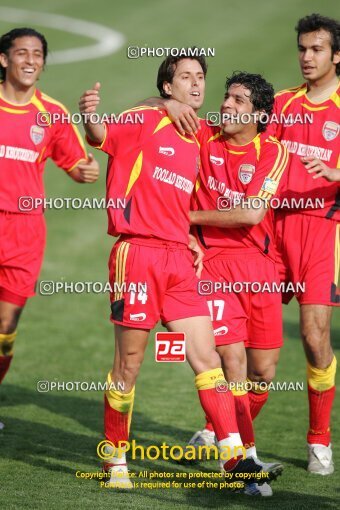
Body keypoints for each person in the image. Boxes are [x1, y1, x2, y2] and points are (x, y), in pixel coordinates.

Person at [79, 53, 278, 489]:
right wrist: (92, 115)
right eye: (185, 77)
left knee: (208, 359)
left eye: (200, 77)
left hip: (180, 261)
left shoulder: (202, 134)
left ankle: (232, 458)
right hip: (137, 256)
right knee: (128, 364)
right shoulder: (145, 117)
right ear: (168, 86)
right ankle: (114, 460)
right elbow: (100, 134)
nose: (196, 84)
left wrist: (187, 234)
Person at [139, 71, 287, 496]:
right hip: (213, 266)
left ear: (258, 114)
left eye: (238, 101)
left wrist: (183, 218)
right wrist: (167, 103)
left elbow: (251, 215)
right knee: (233, 362)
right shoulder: (204, 136)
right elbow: (146, 112)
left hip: (259, 270)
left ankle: (216, 431)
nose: (225, 105)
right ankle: (246, 464)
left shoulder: (272, 151)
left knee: (263, 373)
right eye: (225, 97)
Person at [0, 27, 100, 409]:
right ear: (4, 59)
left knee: (6, 330)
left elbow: (77, 165)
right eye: (21, 52)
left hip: (24, 233)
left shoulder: (52, 114)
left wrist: (87, 170)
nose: (30, 60)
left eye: (37, 54)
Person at [266, 13, 339, 475]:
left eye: (316, 49)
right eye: (302, 48)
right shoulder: (279, 103)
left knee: (314, 338)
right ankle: (226, 433)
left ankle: (319, 440)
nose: (306, 57)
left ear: (337, 56)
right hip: (272, 232)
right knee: (252, 342)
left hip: (322, 232)